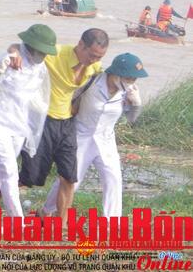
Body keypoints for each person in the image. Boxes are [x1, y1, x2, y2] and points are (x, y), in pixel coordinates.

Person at [0, 24, 55, 225]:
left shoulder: (39, 68)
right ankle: (18, 221)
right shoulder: (6, 59)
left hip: (18, 125)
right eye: (40, 51)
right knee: (10, 170)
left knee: (0, 169)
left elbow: (36, 98)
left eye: (45, 53)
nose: (43, 56)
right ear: (30, 46)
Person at [41, 53, 146, 218]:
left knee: (113, 180)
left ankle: (112, 223)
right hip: (81, 136)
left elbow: (131, 120)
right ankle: (48, 210)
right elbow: (68, 101)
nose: (132, 83)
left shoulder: (127, 92)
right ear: (116, 74)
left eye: (134, 79)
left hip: (106, 140)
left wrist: (136, 104)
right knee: (71, 181)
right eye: (129, 78)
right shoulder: (91, 81)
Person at [19, 28, 108, 221]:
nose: (94, 60)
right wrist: (12, 53)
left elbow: (94, 82)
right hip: (44, 121)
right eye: (92, 54)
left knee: (69, 177)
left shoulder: (95, 66)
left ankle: (61, 222)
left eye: (99, 56)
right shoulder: (56, 53)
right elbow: (24, 49)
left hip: (67, 124)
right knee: (28, 177)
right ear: (81, 45)